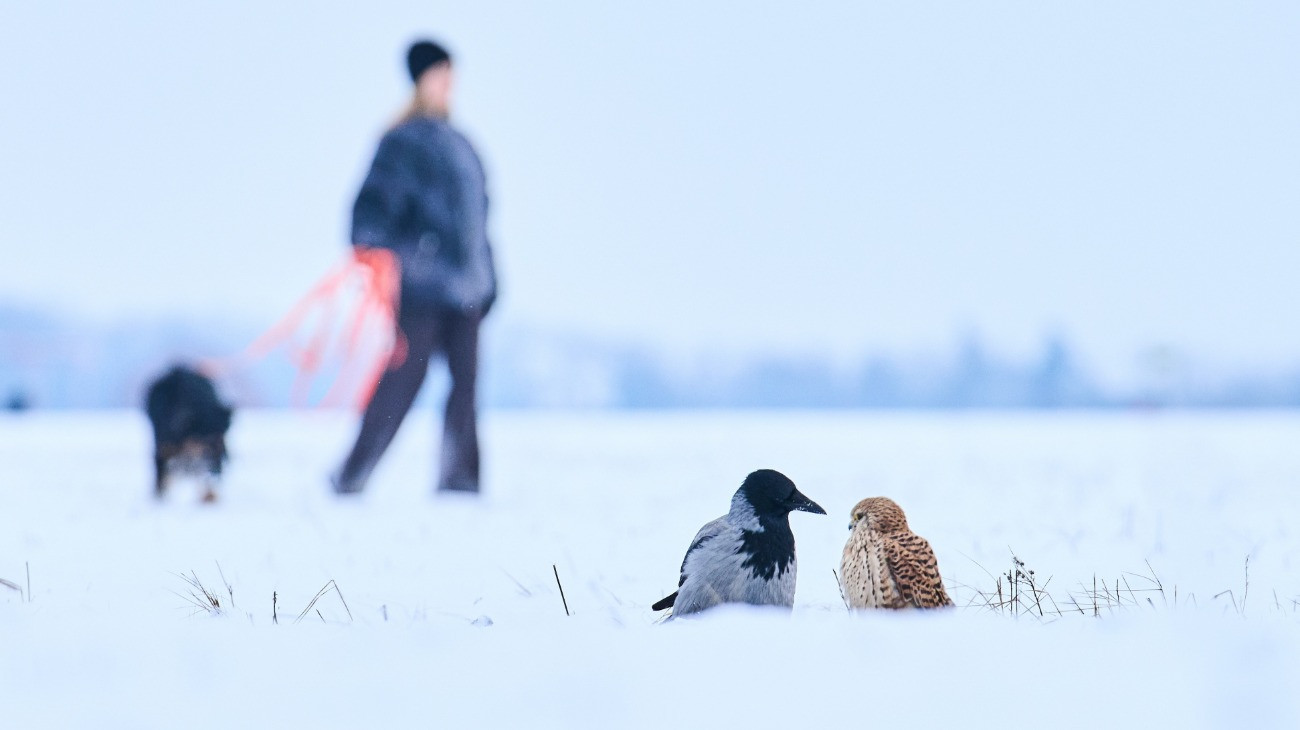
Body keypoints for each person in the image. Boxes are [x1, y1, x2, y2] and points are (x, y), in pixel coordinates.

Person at [334, 39, 497, 495]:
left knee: (466, 385)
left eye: (452, 75)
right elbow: (366, 217)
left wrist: (490, 280)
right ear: (421, 79)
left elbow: (481, 222)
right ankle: (351, 475)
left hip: (467, 289)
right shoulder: (400, 143)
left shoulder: (463, 146)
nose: (448, 85)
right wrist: (408, 253)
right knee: (405, 379)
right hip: (420, 289)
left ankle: (460, 481)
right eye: (440, 75)